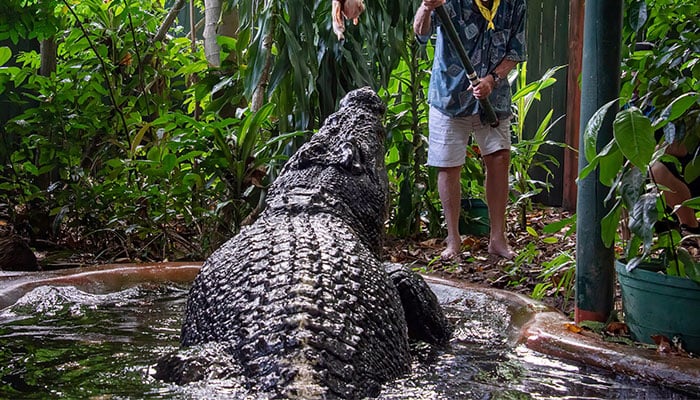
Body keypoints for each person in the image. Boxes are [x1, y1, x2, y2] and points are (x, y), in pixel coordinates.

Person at [413, 0, 527, 260]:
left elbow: (515, 50)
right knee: (449, 164)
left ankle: (497, 238)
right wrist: (427, 7)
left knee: (499, 158)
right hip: (449, 96)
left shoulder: (515, 3)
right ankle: (453, 241)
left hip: (493, 98)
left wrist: (493, 79)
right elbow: (421, 33)